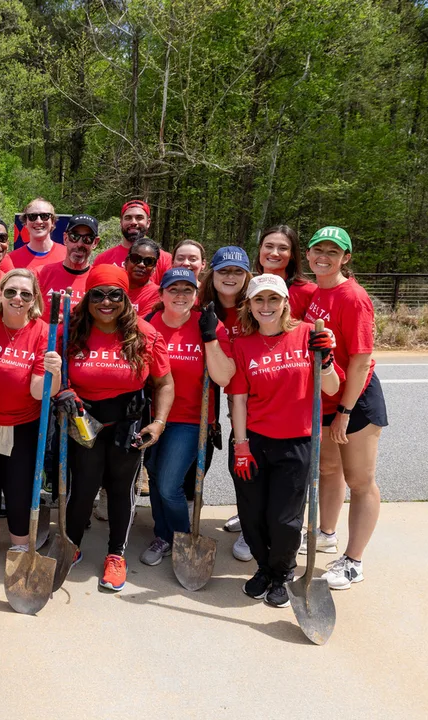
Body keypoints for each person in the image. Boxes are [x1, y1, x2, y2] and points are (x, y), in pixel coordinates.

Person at [227, 274, 341, 608]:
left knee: (285, 517)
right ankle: (263, 568)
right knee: (252, 513)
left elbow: (331, 387)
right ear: (249, 305)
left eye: (273, 299)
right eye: (259, 300)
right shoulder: (243, 344)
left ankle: (282, 573)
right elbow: (238, 399)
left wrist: (328, 359)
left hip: (296, 442)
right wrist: (241, 445)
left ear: (285, 303)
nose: (266, 307)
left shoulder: (308, 333)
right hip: (255, 441)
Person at [62, 264, 173, 592]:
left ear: (126, 298)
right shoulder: (72, 330)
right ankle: (71, 544)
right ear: (88, 299)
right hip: (84, 421)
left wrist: (159, 422)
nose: (106, 302)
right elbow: (52, 368)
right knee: (82, 488)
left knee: (121, 490)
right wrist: (62, 390)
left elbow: (164, 383)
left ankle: (116, 554)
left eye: (114, 294)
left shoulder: (145, 334)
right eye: (98, 294)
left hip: (128, 423)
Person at [303, 226, 388, 589]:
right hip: (327, 396)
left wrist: (346, 411)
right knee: (329, 469)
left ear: (346, 258)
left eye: (333, 252)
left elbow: (361, 359)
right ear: (308, 254)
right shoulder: (317, 292)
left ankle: (354, 560)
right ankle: (327, 533)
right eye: (318, 250)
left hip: (355, 401)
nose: (323, 257)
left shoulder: (352, 297)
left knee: (360, 480)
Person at [0, 269, 61, 571]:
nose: (17, 298)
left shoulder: (41, 332)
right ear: (1, 295)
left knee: (19, 486)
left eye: (25, 293)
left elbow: (38, 392)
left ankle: (20, 545)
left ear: (34, 299)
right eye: (11, 292)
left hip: (22, 424)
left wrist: (53, 372)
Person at [139, 268, 234, 565]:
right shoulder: (149, 324)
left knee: (169, 484)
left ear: (195, 295)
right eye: (174, 289)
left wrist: (209, 337)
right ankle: (162, 535)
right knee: (154, 477)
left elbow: (225, 376)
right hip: (154, 415)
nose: (180, 295)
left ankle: (182, 538)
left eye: (187, 290)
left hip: (193, 418)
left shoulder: (208, 324)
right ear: (161, 294)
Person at [195, 245, 253, 558]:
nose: (230, 277)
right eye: (224, 271)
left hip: (259, 396)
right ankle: (248, 515)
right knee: (237, 463)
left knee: (253, 464)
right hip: (229, 397)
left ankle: (255, 527)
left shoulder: (258, 305)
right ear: (212, 274)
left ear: (247, 275)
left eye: (237, 271)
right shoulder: (203, 308)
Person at [93, 200, 171, 284]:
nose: (133, 222)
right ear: (121, 223)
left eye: (139, 218)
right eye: (128, 218)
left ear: (148, 223)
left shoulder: (165, 260)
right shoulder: (103, 259)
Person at [255, 224, 316, 320]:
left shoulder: (308, 291)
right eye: (269, 246)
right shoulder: (249, 287)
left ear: (292, 254)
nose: (274, 253)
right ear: (260, 249)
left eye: (283, 248)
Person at [38, 213, 99, 304]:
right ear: (65, 238)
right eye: (74, 237)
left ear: (95, 242)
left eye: (87, 239)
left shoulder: (98, 279)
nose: (79, 244)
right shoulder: (41, 274)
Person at [9, 198, 66, 271]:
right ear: (25, 222)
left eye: (44, 216)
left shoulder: (67, 255)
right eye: (32, 217)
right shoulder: (11, 260)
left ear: (53, 222)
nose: (38, 221)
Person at [126, 238, 163, 313]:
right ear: (126, 262)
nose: (141, 265)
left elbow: (143, 323)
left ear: (154, 268)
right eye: (136, 258)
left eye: (149, 261)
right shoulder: (114, 286)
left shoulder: (157, 294)